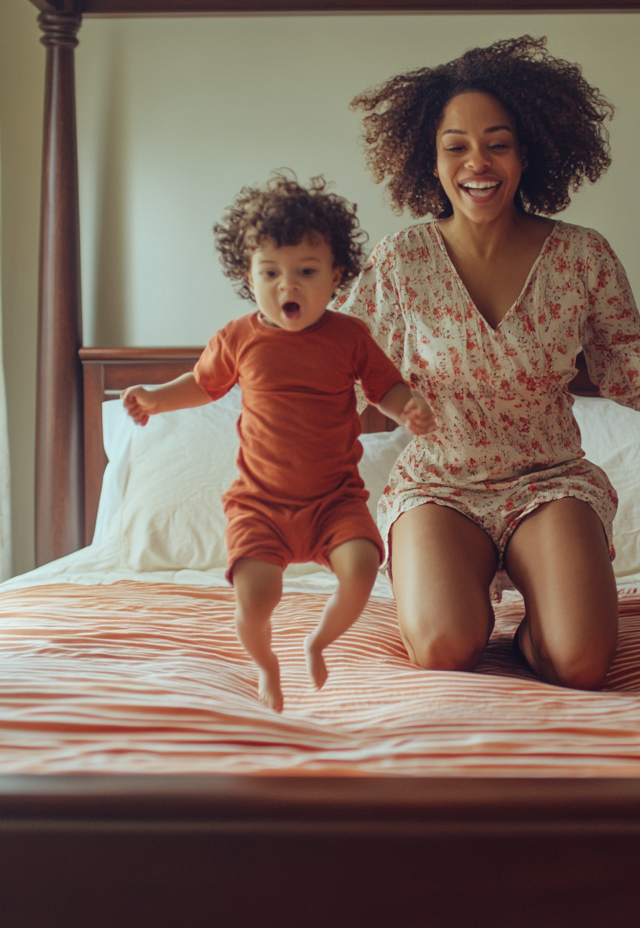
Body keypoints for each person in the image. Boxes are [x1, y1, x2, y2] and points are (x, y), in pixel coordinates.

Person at [334, 35, 640, 690]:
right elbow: (351, 367)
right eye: (456, 144)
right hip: (439, 485)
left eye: (498, 142)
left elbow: (629, 366)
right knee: (446, 648)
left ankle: (540, 626)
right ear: (430, 157)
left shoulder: (582, 257)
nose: (477, 161)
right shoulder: (401, 260)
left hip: (549, 483)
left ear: (527, 151)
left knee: (581, 663)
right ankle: (470, 607)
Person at [122, 175, 435, 712]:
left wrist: (407, 406)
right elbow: (202, 384)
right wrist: (154, 399)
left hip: (335, 500)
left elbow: (385, 388)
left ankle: (319, 642)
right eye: (270, 273)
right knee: (256, 594)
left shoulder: (350, 337)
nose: (287, 286)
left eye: (305, 273)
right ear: (249, 276)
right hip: (261, 504)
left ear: (336, 277)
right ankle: (267, 666)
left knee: (362, 568)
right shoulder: (238, 339)